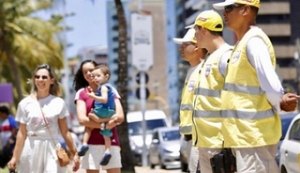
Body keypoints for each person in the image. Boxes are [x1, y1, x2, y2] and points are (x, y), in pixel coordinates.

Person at [212, 0, 300, 172]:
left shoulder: (254, 41)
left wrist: (280, 100)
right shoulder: (242, 44)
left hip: (254, 138)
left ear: (245, 10)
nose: (225, 13)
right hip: (246, 138)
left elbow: (271, 83)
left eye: (229, 8)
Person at [7, 64, 80, 173]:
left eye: (44, 77)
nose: (40, 79)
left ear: (51, 80)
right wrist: (14, 157)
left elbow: (65, 132)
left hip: (52, 148)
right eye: (37, 77)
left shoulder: (59, 103)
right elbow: (21, 133)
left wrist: (75, 154)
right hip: (31, 148)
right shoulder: (24, 103)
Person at [189, 10, 233, 173]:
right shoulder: (210, 58)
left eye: (196, 31)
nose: (195, 36)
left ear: (204, 30)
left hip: (219, 144)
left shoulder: (226, 57)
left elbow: (234, 99)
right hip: (206, 143)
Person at [73, 60, 124, 173]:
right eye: (85, 72)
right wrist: (105, 124)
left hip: (111, 143)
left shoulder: (111, 89)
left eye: (91, 70)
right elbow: (82, 120)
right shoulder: (81, 93)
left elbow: (120, 116)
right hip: (91, 144)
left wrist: (97, 123)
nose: (88, 73)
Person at [173, 28, 207, 173]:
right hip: (191, 139)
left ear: (198, 47)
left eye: (185, 44)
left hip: (202, 138)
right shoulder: (191, 70)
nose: (181, 48)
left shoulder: (205, 70)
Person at [78, 64, 116, 166]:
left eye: (97, 75)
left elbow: (104, 99)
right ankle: (107, 151)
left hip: (102, 111)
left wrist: (93, 96)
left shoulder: (103, 87)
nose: (94, 77)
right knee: (106, 133)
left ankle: (84, 144)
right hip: (110, 112)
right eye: (85, 72)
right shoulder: (111, 88)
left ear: (106, 76)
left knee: (90, 118)